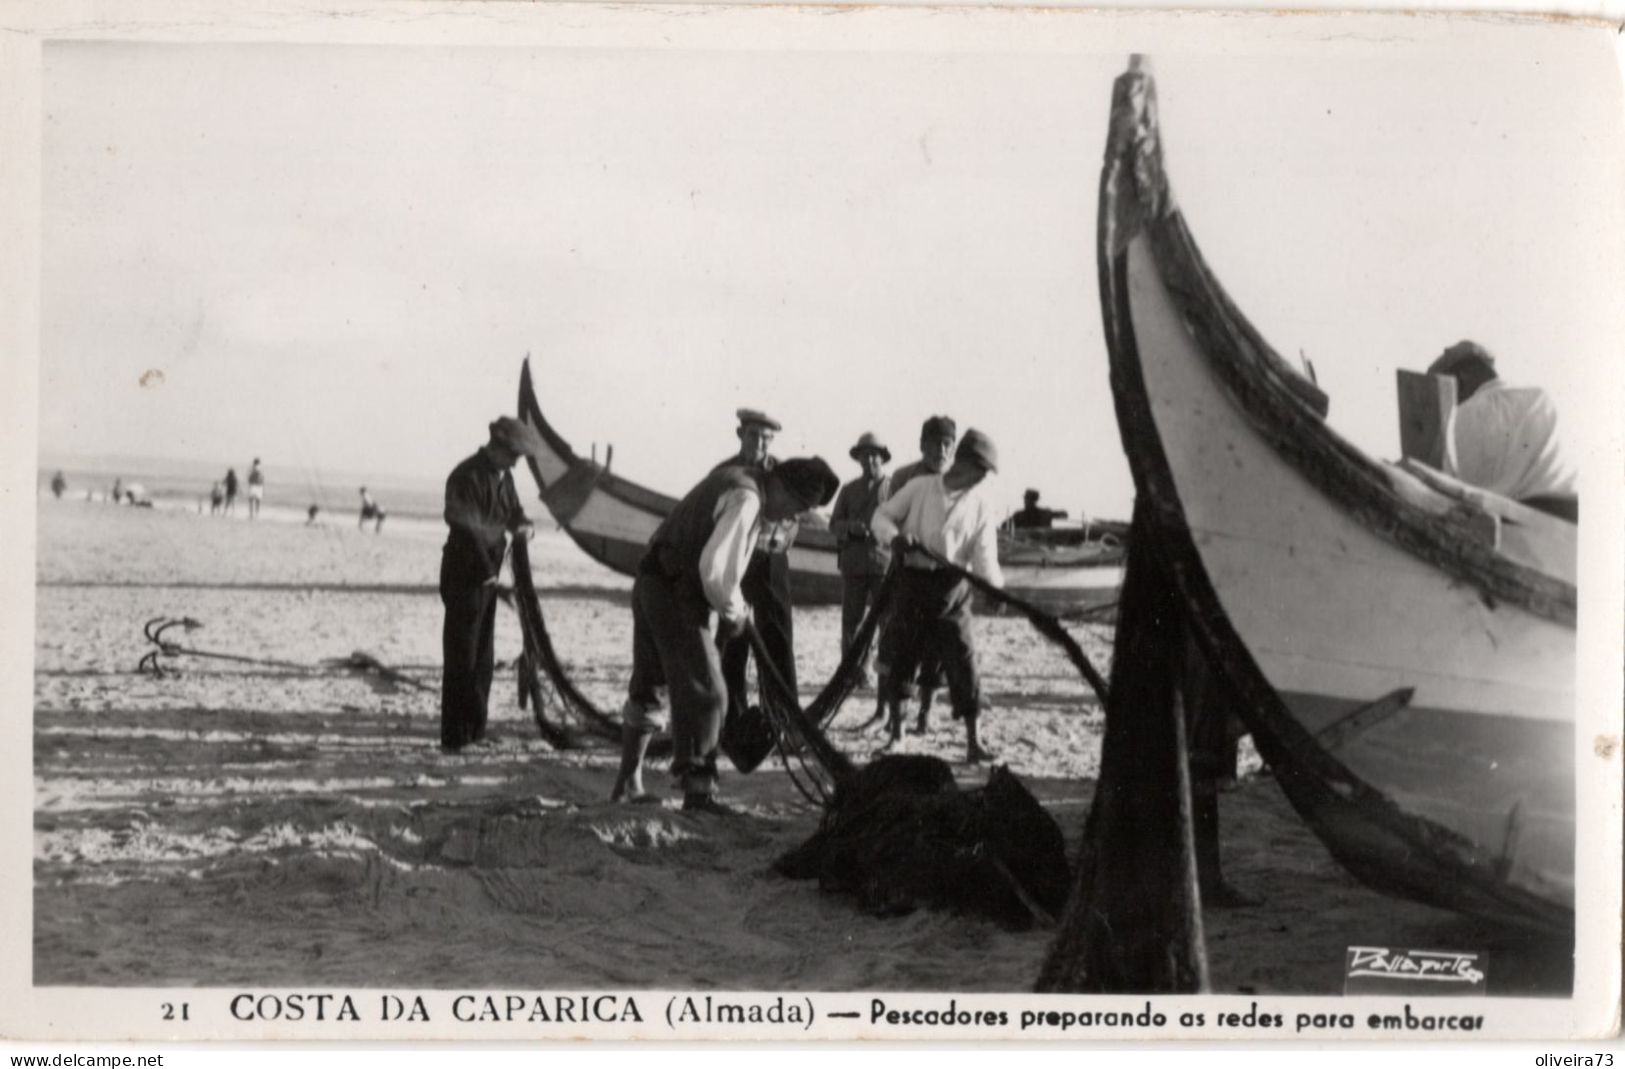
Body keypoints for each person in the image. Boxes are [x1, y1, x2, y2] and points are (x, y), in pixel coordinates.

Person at [611, 454, 839, 811]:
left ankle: (627, 784)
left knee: (650, 683)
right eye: (797, 506)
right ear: (782, 487)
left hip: (652, 580)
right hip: (676, 593)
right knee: (711, 692)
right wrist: (736, 613)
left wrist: (733, 609)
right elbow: (715, 573)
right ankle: (698, 792)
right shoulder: (747, 500)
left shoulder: (738, 479)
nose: (793, 517)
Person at [871, 428, 1003, 763]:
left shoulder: (980, 505)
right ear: (964, 462)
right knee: (903, 656)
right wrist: (894, 538)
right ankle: (898, 736)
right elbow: (881, 516)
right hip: (912, 583)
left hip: (952, 590)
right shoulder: (920, 487)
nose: (983, 478)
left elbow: (985, 555)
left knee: (963, 661)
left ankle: (974, 742)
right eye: (981, 470)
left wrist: (994, 589)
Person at [439, 417, 542, 753]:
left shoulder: (504, 476)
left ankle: (476, 732)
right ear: (497, 446)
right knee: (462, 658)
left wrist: (524, 526)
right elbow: (466, 529)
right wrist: (491, 577)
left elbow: (514, 512)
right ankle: (455, 738)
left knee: (483, 657)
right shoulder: (465, 476)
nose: (516, 462)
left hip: (489, 576)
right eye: (513, 454)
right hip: (465, 575)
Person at [712, 409, 800, 733]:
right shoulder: (724, 472)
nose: (760, 444)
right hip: (736, 563)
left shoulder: (782, 474)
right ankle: (730, 718)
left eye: (766, 438)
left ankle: (784, 720)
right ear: (740, 434)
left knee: (777, 638)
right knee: (732, 638)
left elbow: (797, 513)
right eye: (753, 436)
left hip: (771, 560)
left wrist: (781, 538)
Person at [869, 414, 957, 733]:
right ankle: (894, 720)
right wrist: (896, 539)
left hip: (947, 580)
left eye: (948, 444)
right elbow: (885, 519)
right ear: (922, 445)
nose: (941, 451)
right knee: (899, 645)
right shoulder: (904, 477)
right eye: (935, 444)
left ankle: (926, 714)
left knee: (938, 649)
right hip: (908, 573)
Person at [1427, 341, 1578, 520]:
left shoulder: (1460, 417)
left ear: (1463, 376)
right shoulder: (1541, 398)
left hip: (1509, 527)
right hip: (1569, 520)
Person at [828, 432, 893, 689]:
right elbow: (833, 525)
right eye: (865, 455)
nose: (870, 460)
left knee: (886, 621)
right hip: (853, 563)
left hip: (883, 563)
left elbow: (901, 523)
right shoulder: (848, 490)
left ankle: (885, 673)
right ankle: (853, 673)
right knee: (851, 622)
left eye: (875, 455)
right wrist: (850, 527)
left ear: (882, 459)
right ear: (859, 459)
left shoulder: (892, 489)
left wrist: (882, 532)